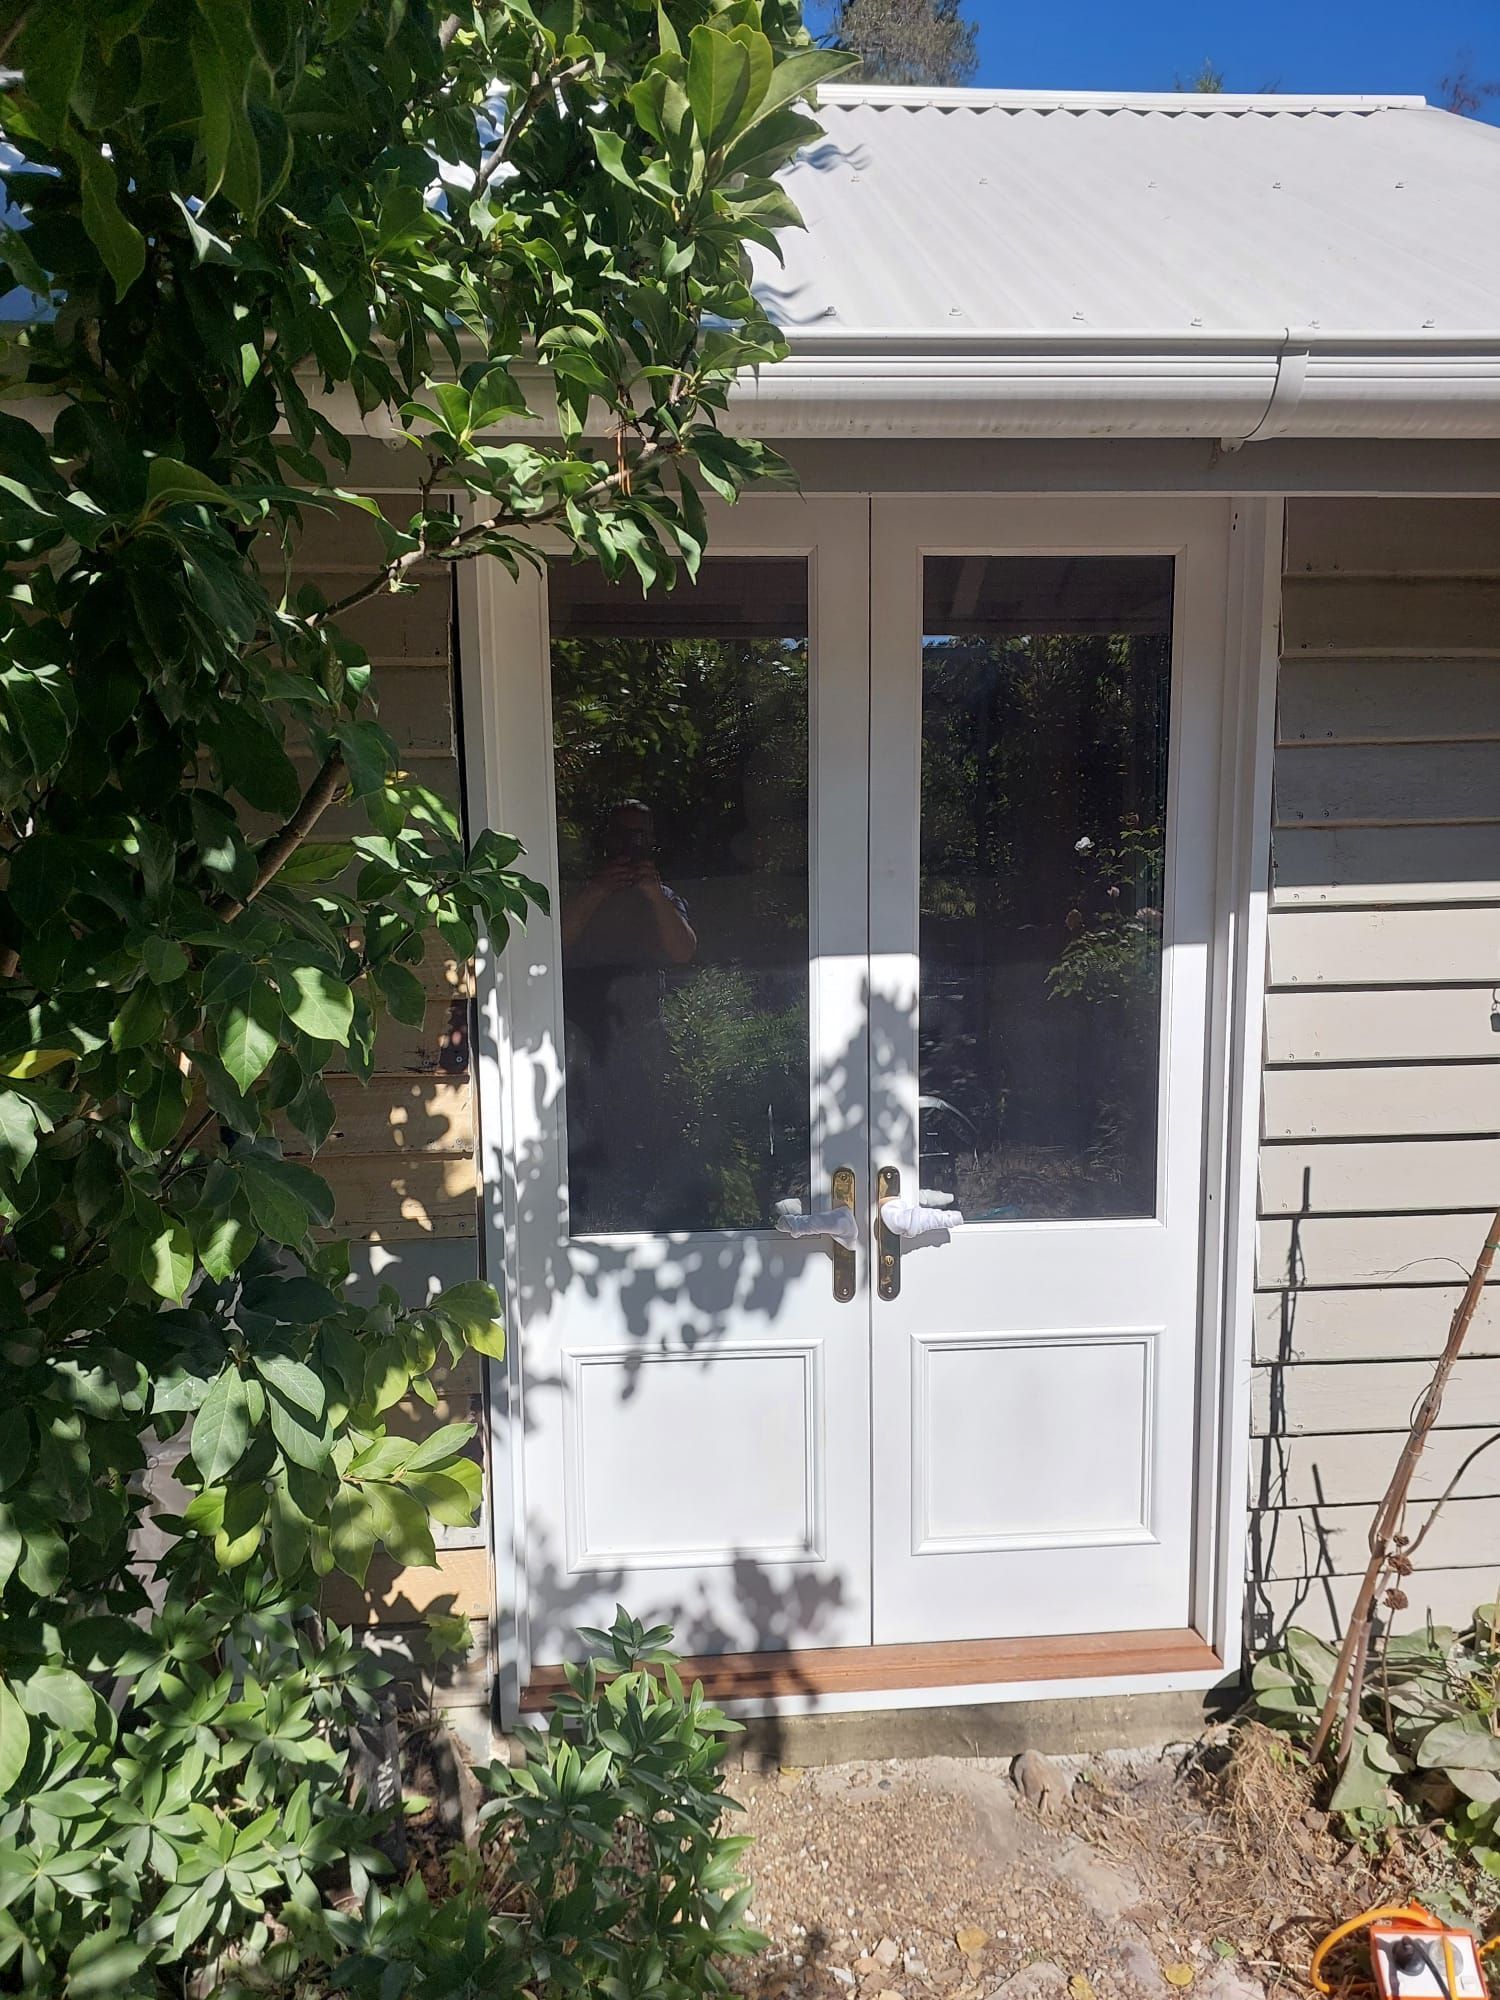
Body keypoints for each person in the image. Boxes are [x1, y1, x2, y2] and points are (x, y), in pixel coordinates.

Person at [559, 801, 696, 1229]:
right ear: (607, 839)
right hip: (578, 1035)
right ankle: (587, 1220)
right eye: (622, 835)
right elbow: (550, 946)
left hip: (642, 1035)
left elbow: (684, 951)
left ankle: (643, 1216)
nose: (630, 845)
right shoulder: (581, 889)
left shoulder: (664, 895)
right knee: (583, 1133)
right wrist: (598, 891)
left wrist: (654, 896)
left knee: (645, 1130)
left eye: (640, 836)